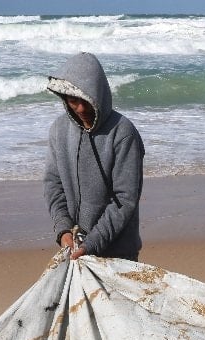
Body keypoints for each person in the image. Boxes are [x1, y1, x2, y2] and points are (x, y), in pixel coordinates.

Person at [44, 52, 144, 261]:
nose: (81, 109)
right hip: (75, 250)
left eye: (87, 101)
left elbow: (124, 200)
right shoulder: (58, 130)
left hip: (118, 252)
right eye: (73, 101)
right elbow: (54, 185)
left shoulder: (123, 133)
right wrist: (63, 230)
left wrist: (92, 243)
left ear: (99, 95)